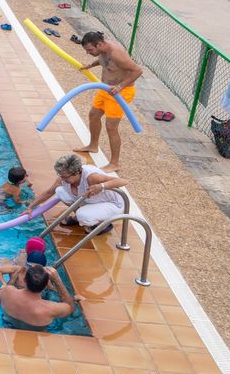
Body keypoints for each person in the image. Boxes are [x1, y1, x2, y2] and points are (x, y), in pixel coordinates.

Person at [73, 31, 144, 172]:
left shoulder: (117, 53)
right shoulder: (102, 49)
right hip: (105, 89)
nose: (88, 53)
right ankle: (93, 145)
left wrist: (120, 86)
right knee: (93, 115)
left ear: (99, 44)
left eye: (90, 50)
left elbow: (137, 71)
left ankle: (115, 163)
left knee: (111, 126)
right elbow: (102, 60)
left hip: (121, 93)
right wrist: (90, 65)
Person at [30, 154, 127, 231]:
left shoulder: (92, 177)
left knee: (83, 215)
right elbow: (48, 192)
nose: (62, 179)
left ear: (76, 172)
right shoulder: (64, 178)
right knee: (60, 191)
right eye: (60, 175)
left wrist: (100, 186)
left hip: (112, 204)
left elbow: (123, 181)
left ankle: (103, 224)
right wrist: (30, 207)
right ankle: (80, 217)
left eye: (65, 176)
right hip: (91, 200)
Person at [0, 264, 78, 332]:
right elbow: (71, 308)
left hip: (7, 328)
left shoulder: (7, 291)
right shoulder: (51, 308)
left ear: (24, 280)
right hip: (35, 335)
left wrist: (10, 282)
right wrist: (57, 280)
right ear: (46, 285)